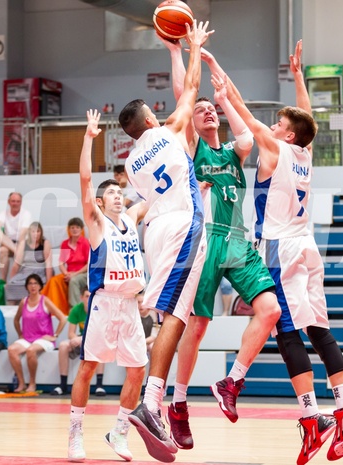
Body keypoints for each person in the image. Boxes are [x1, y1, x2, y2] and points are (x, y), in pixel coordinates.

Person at [216, 39, 343, 463]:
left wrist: (219, 78)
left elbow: (246, 114)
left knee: (286, 333)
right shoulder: (303, 152)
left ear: (287, 134)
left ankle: (312, 417)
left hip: (280, 247)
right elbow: (309, 119)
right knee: (319, 329)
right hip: (307, 246)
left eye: (279, 123)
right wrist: (299, 77)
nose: (274, 126)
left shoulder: (278, 148)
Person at [160, 37, 280, 450]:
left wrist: (222, 94)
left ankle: (232, 381)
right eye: (200, 110)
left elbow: (246, 134)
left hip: (238, 241)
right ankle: (177, 404)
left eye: (210, 109)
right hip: (204, 243)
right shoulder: (190, 150)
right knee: (197, 326)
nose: (206, 111)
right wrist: (180, 52)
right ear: (189, 123)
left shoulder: (232, 151)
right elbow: (184, 96)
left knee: (270, 311)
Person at [117, 20, 211, 463]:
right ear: (150, 119)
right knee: (177, 312)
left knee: (173, 313)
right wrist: (191, 48)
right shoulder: (169, 129)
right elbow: (190, 91)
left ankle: (153, 401)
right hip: (182, 225)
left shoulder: (133, 161)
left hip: (155, 231)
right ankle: (151, 404)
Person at [67, 109, 149, 462]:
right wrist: (88, 137)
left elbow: (157, 197)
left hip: (130, 304)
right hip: (103, 303)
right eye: (112, 192)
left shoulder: (130, 219)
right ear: (100, 203)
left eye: (120, 191)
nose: (119, 195)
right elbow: (86, 180)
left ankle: (119, 432)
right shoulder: (97, 223)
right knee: (87, 367)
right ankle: (75, 434)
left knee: (138, 370)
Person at [8, 274, 66, 393]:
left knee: (31, 350)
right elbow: (16, 319)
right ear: (26, 286)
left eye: (35, 283)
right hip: (27, 338)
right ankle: (21, 382)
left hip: (43, 339)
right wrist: (20, 334)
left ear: (40, 286)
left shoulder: (45, 300)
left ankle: (32, 383)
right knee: (11, 350)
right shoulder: (24, 302)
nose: (33, 286)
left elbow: (63, 318)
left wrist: (54, 335)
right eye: (30, 283)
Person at [41, 217, 90, 315]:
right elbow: (61, 263)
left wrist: (74, 274)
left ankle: (74, 310)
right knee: (54, 281)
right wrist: (66, 273)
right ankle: (54, 309)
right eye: (72, 227)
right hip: (68, 273)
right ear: (69, 229)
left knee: (74, 281)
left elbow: (88, 264)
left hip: (83, 273)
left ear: (81, 229)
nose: (75, 229)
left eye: (77, 227)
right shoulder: (65, 244)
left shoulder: (85, 243)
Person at [0, 192, 32, 281]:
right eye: (13, 201)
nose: (15, 203)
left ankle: (14, 278)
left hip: (22, 242)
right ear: (9, 202)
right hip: (8, 243)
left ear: (21, 202)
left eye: (17, 201)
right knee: (1, 247)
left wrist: (19, 248)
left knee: (21, 242)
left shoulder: (26, 214)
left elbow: (23, 233)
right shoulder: (3, 213)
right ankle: (3, 280)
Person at [51, 285, 91, 396]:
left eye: (91, 296)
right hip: (82, 340)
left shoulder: (98, 309)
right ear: (81, 297)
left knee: (99, 347)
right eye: (87, 296)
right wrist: (76, 339)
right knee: (63, 345)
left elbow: (100, 334)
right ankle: (63, 385)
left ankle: (99, 385)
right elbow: (71, 333)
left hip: (95, 341)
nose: (89, 299)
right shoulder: (76, 309)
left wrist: (82, 339)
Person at [5, 222, 53, 303]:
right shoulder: (24, 243)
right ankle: (12, 310)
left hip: (41, 271)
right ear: (29, 233)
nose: (36, 234)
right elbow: (17, 264)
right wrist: (11, 280)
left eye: (38, 231)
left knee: (37, 284)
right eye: (33, 231)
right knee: (11, 285)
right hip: (26, 271)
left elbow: (48, 264)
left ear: (41, 232)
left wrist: (49, 282)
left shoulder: (45, 243)